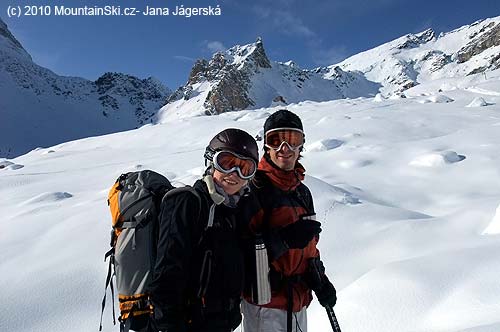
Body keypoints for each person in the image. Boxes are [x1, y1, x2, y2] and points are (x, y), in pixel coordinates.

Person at [147, 128, 259, 332]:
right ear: (210, 161)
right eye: (226, 163)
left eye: (245, 168)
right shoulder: (187, 202)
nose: (234, 174)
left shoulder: (233, 212)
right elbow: (167, 274)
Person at [242, 109, 337, 332]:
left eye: (292, 140)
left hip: (297, 301)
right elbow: (239, 253)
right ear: (266, 145)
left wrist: (319, 279)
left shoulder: (302, 192)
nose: (285, 149)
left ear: (301, 145)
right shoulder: (254, 190)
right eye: (276, 140)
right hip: (265, 305)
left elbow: (309, 248)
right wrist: (284, 240)